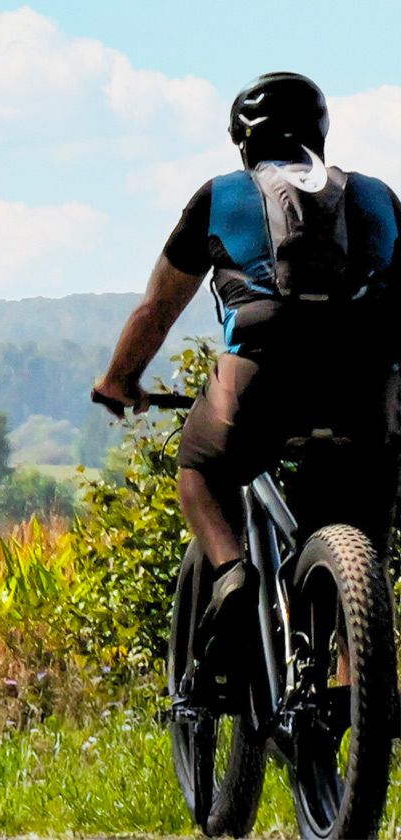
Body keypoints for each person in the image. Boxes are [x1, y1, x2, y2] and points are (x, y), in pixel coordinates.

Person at [94, 72, 401, 663]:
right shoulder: (379, 197)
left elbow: (157, 308)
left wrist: (120, 381)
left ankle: (232, 572)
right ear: (321, 134)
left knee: (201, 465)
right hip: (366, 385)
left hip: (258, 377)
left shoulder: (222, 196)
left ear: (242, 141)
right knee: (365, 521)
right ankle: (359, 682)